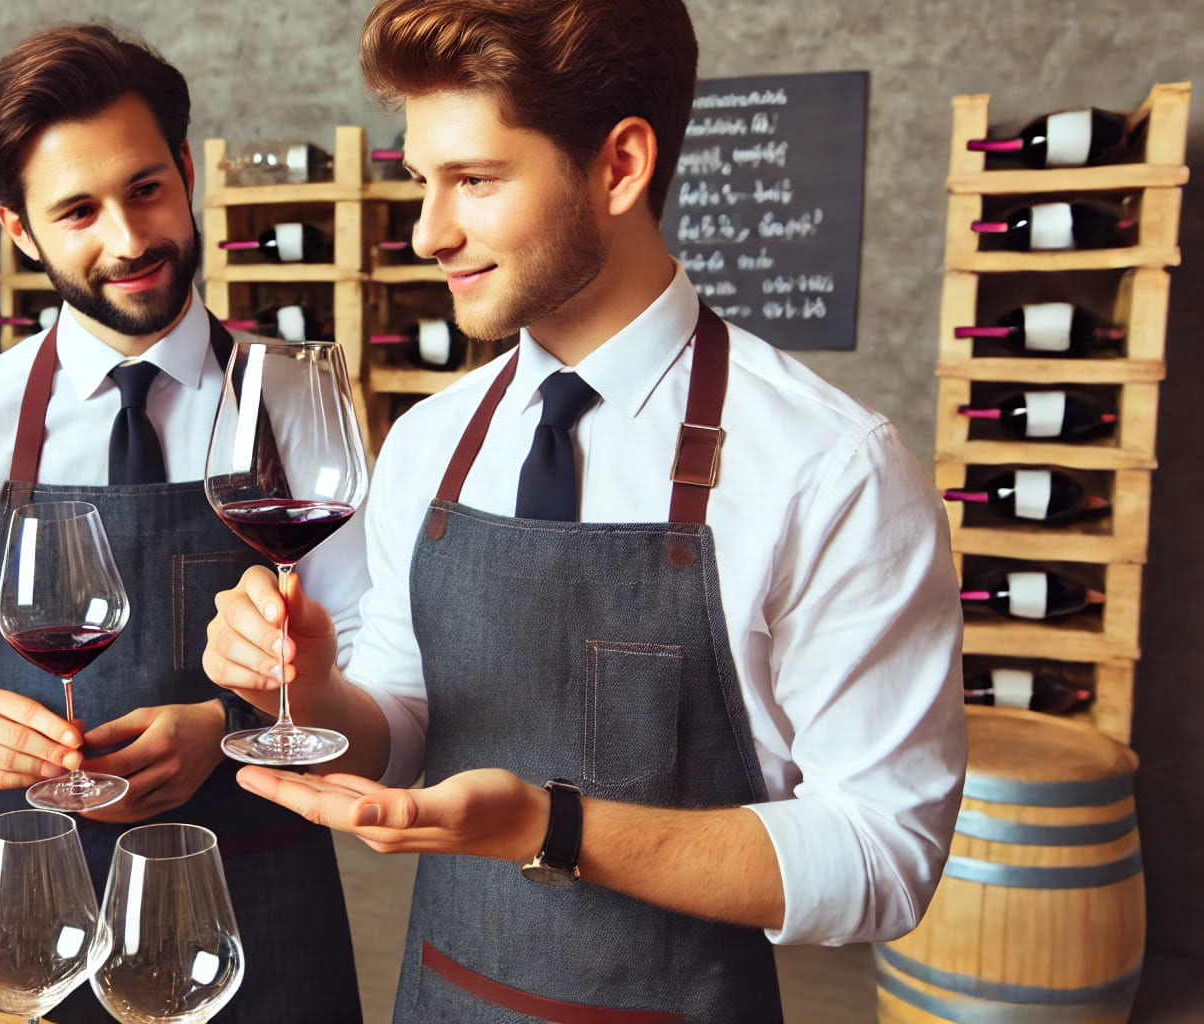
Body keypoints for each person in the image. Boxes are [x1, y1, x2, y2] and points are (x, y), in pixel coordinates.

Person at [202, 1, 967, 1020]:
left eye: (474, 180)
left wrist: (550, 828)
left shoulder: (829, 469)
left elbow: (883, 855)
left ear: (618, 166)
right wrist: (321, 687)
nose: (428, 232)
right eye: (419, 180)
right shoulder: (432, 440)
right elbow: (401, 719)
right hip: (441, 996)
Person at [0, 24, 366, 1023]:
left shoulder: (296, 410)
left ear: (185, 170)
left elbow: (373, 662)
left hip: (262, 904)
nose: (128, 241)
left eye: (145, 189)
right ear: (17, 230)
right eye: (78, 211)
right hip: (43, 917)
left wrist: (227, 729)